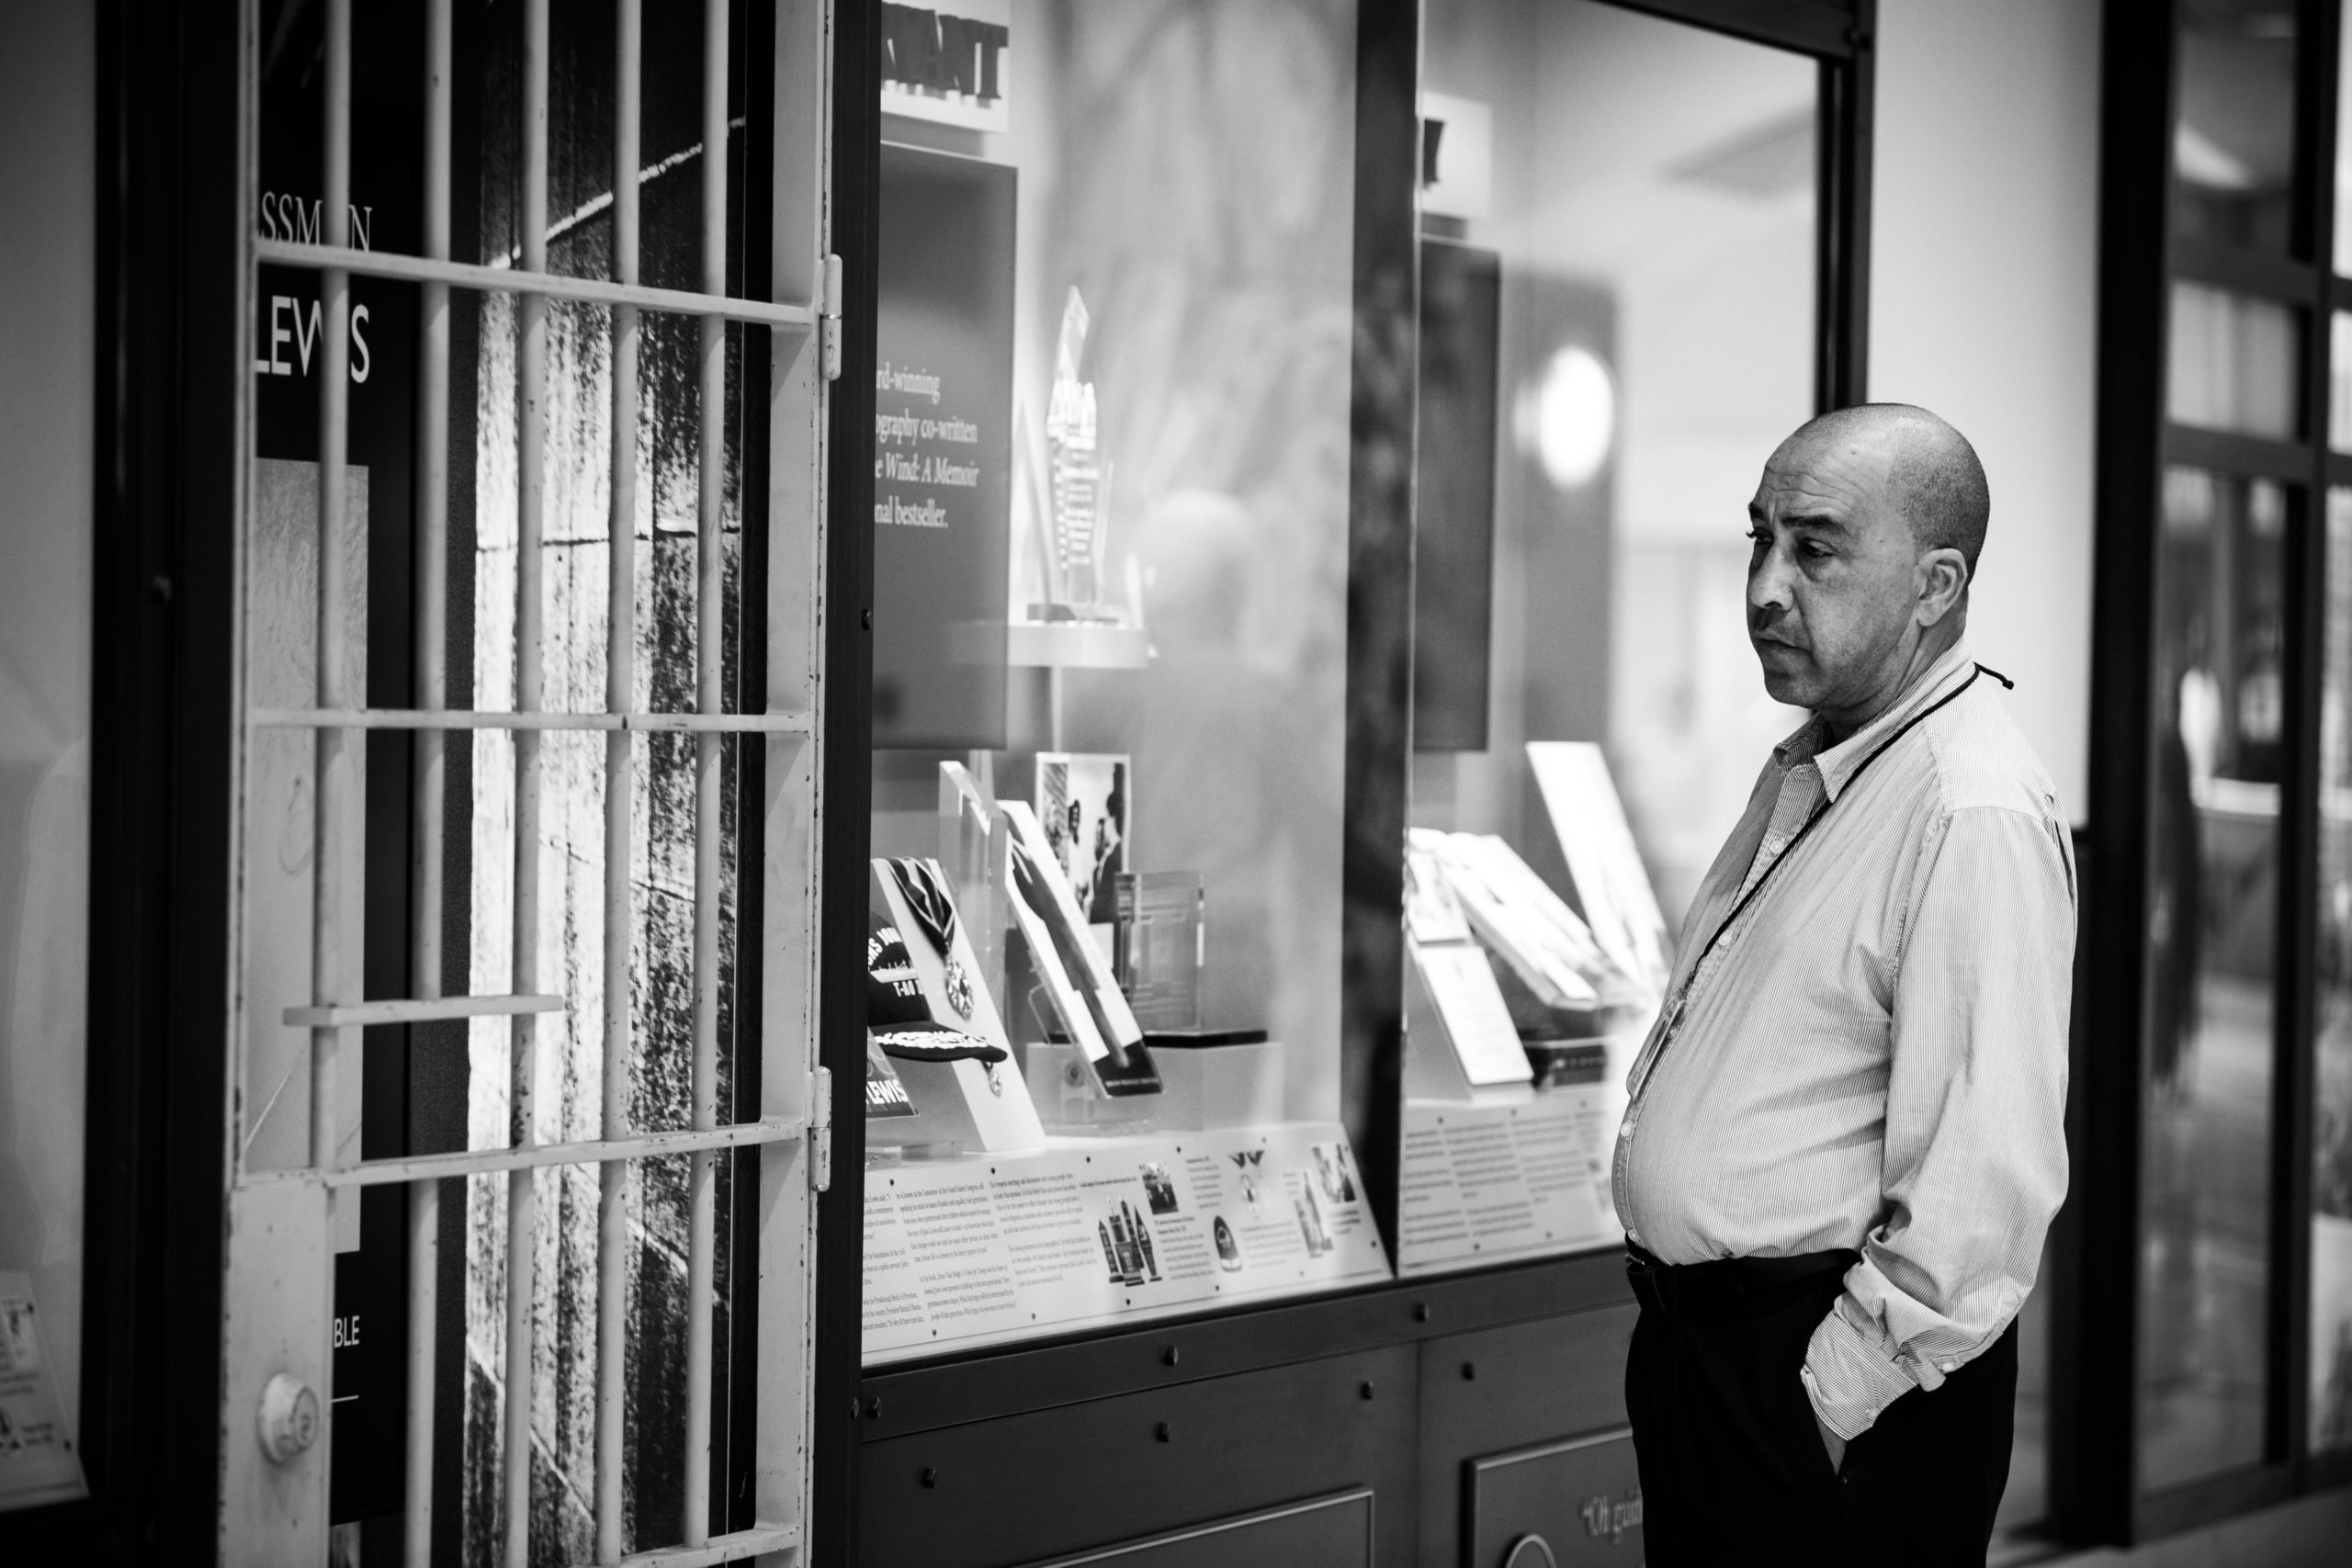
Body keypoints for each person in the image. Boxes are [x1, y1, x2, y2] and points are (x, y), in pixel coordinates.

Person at [1614, 404, 2074, 1562]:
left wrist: (1817, 1405)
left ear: (1934, 586)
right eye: (1758, 540)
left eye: (1813, 549)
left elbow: (1979, 1200)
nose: (1766, 586)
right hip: (1721, 1363)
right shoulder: (1833, 760)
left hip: (1830, 1393)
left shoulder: (1968, 807)